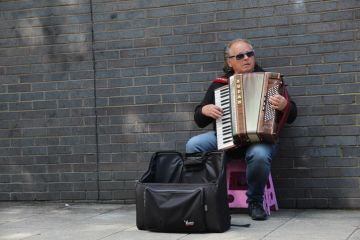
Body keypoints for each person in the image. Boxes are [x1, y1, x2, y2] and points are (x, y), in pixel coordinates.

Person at [186, 38, 297, 220]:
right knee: (194, 145)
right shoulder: (220, 84)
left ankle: (254, 202)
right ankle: (205, 197)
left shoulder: (271, 81)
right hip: (226, 137)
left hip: (261, 140)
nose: (246, 58)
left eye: (249, 54)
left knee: (259, 155)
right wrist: (205, 110)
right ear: (229, 61)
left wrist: (285, 105)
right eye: (240, 55)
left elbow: (292, 116)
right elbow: (199, 119)